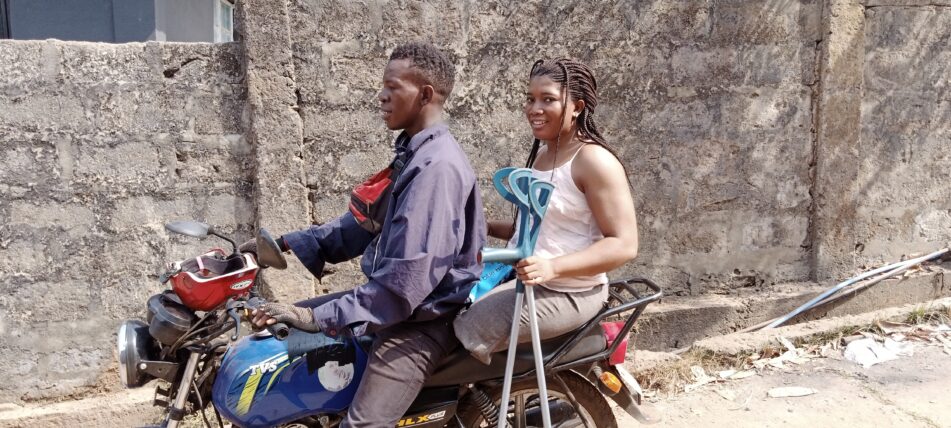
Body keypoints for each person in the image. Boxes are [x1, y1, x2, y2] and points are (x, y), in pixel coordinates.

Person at [246, 42, 485, 427]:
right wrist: (289, 244)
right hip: (396, 305)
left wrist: (318, 314)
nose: (382, 97)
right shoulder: (413, 154)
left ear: (424, 94)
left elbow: (405, 283)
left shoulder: (436, 169)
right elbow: (363, 222)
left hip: (420, 320)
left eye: (392, 87)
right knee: (283, 340)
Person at [453, 58, 638, 364]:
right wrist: (483, 226)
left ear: (577, 107)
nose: (534, 109)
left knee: (463, 331)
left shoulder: (593, 161)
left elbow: (624, 244)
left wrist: (553, 268)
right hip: (529, 282)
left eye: (548, 99)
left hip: (570, 293)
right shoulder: (542, 156)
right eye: (530, 99)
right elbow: (538, 234)